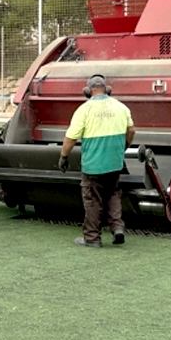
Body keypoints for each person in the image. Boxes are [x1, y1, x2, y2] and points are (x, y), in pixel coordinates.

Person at [58, 74, 135, 248]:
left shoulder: (84, 110)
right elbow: (131, 130)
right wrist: (123, 147)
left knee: (93, 200)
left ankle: (92, 238)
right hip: (115, 162)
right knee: (113, 194)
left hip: (93, 165)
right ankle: (117, 228)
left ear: (88, 91)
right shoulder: (121, 107)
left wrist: (63, 156)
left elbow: (70, 137)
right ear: (107, 90)